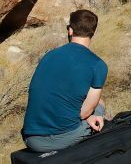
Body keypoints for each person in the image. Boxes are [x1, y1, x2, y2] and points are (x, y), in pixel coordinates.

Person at [22, 10, 108, 152]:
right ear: (93, 33)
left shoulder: (48, 56)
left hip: (30, 138)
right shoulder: (98, 65)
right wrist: (94, 115)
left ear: (70, 30)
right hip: (61, 138)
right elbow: (84, 113)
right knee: (99, 104)